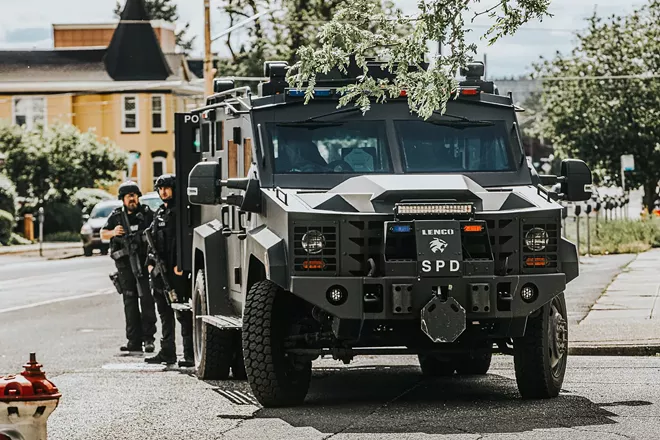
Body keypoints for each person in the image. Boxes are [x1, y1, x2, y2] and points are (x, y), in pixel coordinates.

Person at [144, 174, 194, 367]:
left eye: (167, 188)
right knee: (164, 312)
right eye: (160, 188)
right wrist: (150, 263)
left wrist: (180, 264)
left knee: (182, 312)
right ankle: (167, 352)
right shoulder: (159, 213)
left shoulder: (180, 212)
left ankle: (189, 353)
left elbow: (183, 241)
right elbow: (152, 240)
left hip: (176, 271)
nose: (163, 191)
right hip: (159, 271)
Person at [101, 181, 157, 353]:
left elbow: (157, 233)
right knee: (130, 303)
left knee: (147, 301)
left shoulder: (147, 214)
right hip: (125, 268)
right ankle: (133, 341)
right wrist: (113, 232)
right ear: (123, 199)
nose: (132, 199)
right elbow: (103, 234)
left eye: (134, 195)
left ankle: (149, 339)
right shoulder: (117, 216)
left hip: (143, 264)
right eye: (128, 196)